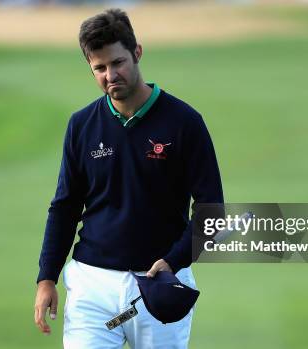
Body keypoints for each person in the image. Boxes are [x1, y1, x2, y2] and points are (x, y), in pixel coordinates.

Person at [33, 8, 223, 349]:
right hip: (92, 286)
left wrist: (173, 262)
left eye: (117, 63)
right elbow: (65, 206)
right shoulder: (81, 125)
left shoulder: (184, 122)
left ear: (137, 53)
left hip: (158, 287)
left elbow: (213, 214)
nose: (111, 75)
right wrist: (47, 277)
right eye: (100, 68)